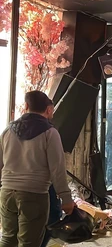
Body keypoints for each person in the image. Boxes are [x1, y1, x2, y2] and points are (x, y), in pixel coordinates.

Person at [0, 90, 75, 247]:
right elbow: (57, 169)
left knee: (7, 239)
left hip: (7, 193)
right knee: (29, 243)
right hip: (33, 195)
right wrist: (66, 198)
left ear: (26, 106)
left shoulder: (7, 131)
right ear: (48, 110)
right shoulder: (50, 133)